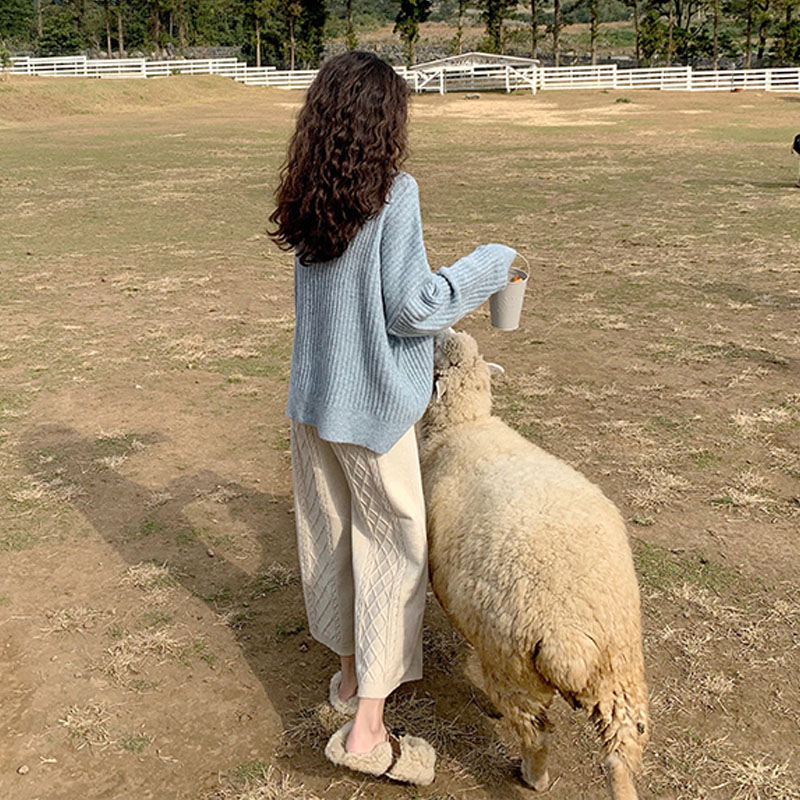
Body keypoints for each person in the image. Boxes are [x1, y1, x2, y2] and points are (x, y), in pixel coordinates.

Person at [269, 51, 517, 785]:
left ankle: (350, 680)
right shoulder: (391, 194)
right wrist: (487, 266)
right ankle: (367, 731)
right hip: (371, 411)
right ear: (387, 122)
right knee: (393, 550)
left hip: (313, 404)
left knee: (333, 540)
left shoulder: (307, 194)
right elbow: (412, 309)